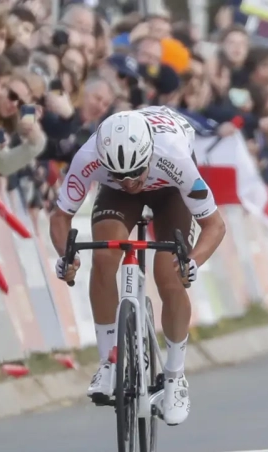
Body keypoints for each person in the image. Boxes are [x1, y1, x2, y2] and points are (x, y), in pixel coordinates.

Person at [48, 106, 226, 426]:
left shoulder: (174, 157)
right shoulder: (88, 155)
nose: (129, 182)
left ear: (148, 155)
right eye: (119, 174)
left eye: (135, 173)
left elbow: (215, 225)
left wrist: (194, 263)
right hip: (116, 200)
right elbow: (61, 216)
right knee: (103, 258)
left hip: (169, 191)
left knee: (169, 275)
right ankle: (108, 362)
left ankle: (175, 377)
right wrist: (66, 255)